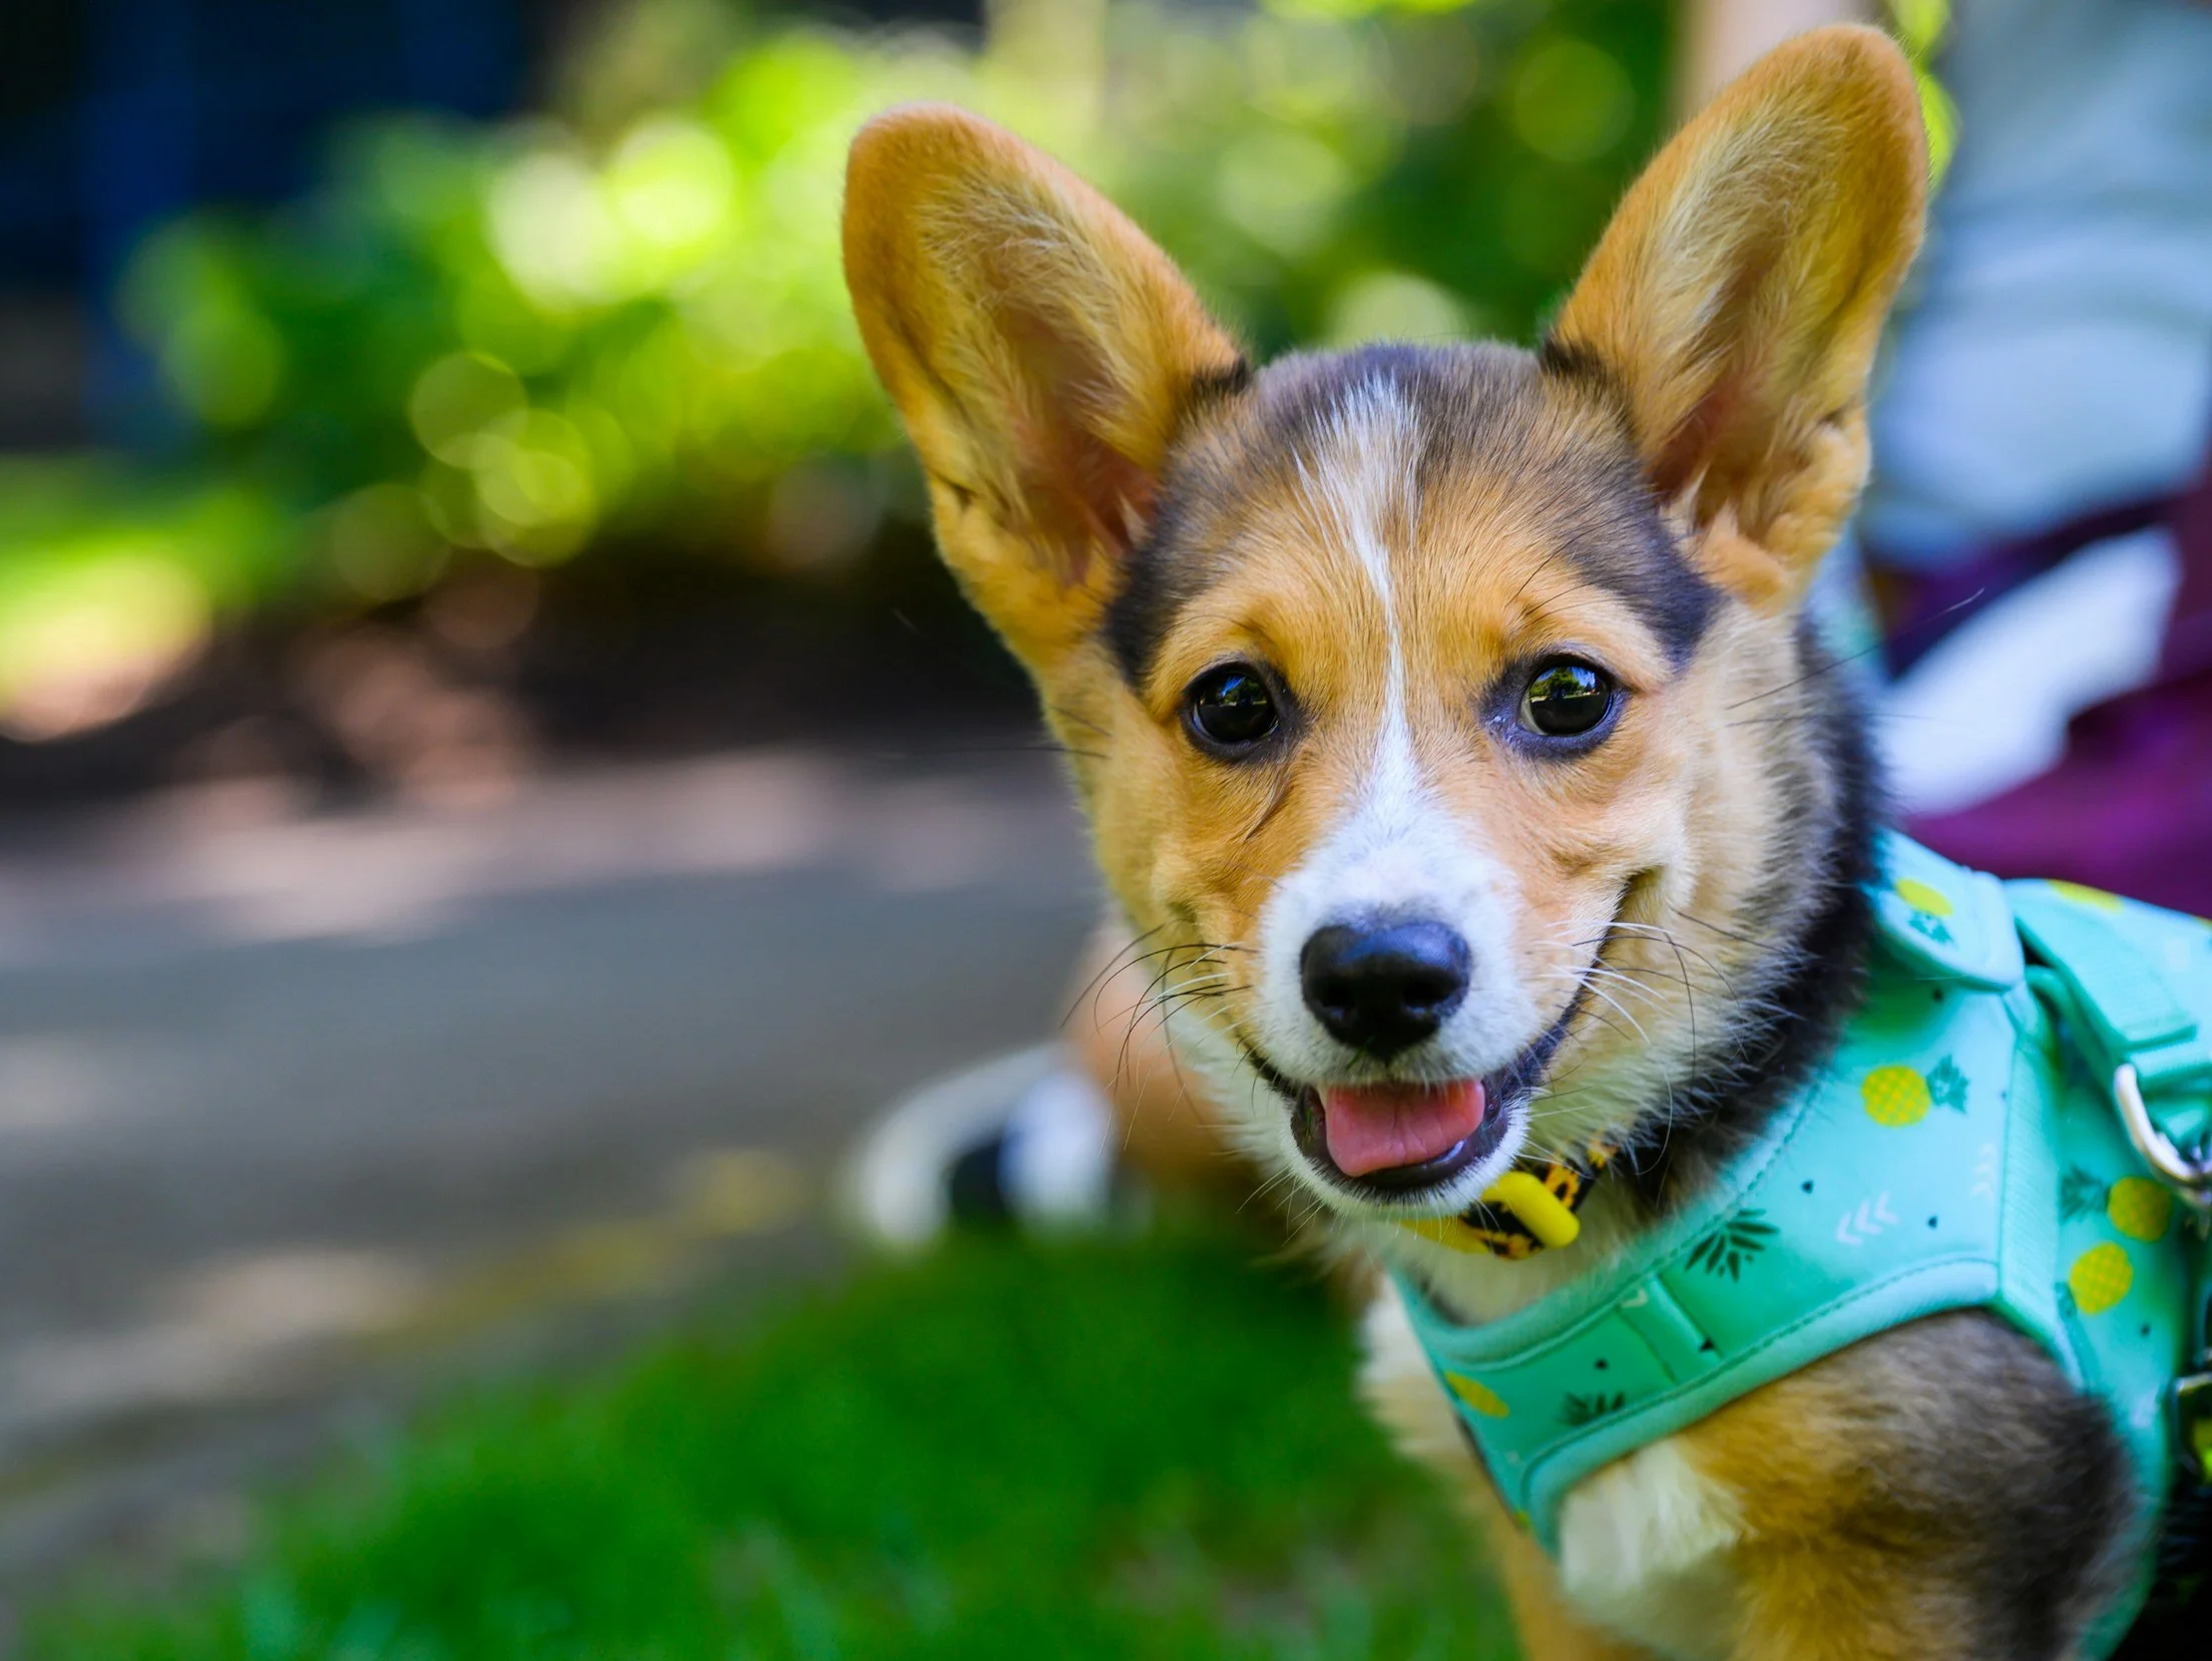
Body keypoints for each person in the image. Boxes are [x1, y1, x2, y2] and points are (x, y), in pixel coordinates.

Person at [842, 0, 2212, 1246]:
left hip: (2134, 621)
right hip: (1980, 572)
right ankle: (1176, 1172)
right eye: (1241, 707)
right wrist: (1707, 520)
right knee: (1152, 1037)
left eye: (1554, 699)